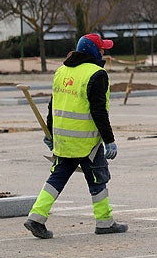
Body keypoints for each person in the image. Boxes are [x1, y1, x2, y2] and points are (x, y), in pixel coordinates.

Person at [24, 33, 127, 239]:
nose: (103, 52)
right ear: (92, 51)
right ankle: (105, 222)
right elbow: (98, 111)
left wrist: (51, 133)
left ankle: (36, 217)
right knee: (98, 179)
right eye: (101, 48)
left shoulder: (61, 71)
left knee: (57, 178)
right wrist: (109, 140)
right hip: (87, 142)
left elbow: (53, 106)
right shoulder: (96, 74)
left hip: (64, 140)